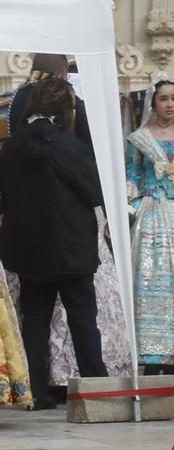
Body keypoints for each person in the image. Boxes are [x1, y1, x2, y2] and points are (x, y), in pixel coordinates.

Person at [0, 79, 107, 408]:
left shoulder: (11, 146)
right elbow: (94, 192)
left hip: (27, 249)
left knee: (34, 319)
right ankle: (94, 386)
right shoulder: (68, 145)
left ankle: (36, 390)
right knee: (82, 317)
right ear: (65, 110)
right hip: (70, 246)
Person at [126, 76, 174, 368]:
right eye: (163, 98)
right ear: (153, 102)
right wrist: (131, 205)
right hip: (152, 215)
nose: (169, 104)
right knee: (152, 281)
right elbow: (130, 176)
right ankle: (153, 355)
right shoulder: (139, 138)